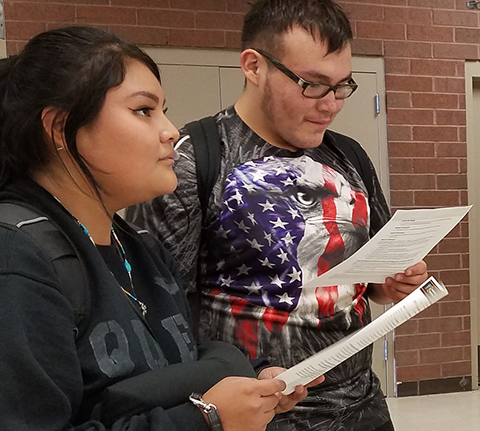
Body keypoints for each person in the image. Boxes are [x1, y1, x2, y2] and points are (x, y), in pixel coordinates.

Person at [0, 26, 318, 431]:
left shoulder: (136, 246)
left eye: (163, 109)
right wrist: (205, 420)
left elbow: (164, 367)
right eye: (144, 110)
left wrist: (255, 380)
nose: (171, 131)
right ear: (60, 129)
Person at [126, 1, 429, 430]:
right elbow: (157, 306)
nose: (331, 104)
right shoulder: (193, 158)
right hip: (255, 414)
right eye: (313, 84)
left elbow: (374, 282)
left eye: (343, 86)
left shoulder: (349, 157)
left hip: (362, 407)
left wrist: (391, 281)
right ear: (254, 66)